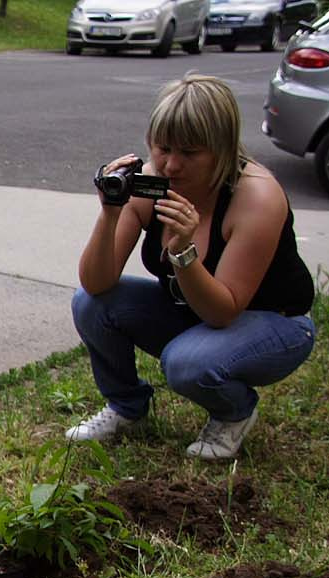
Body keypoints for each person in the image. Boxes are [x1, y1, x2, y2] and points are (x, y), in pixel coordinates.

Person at [65, 74, 316, 461]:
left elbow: (223, 311)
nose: (171, 164)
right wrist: (109, 215)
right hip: (195, 312)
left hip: (275, 322)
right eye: (162, 147)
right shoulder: (151, 182)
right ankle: (127, 408)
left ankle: (234, 413)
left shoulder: (256, 197)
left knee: (186, 362)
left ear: (223, 150)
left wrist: (184, 252)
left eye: (190, 152)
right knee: (90, 303)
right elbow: (96, 283)